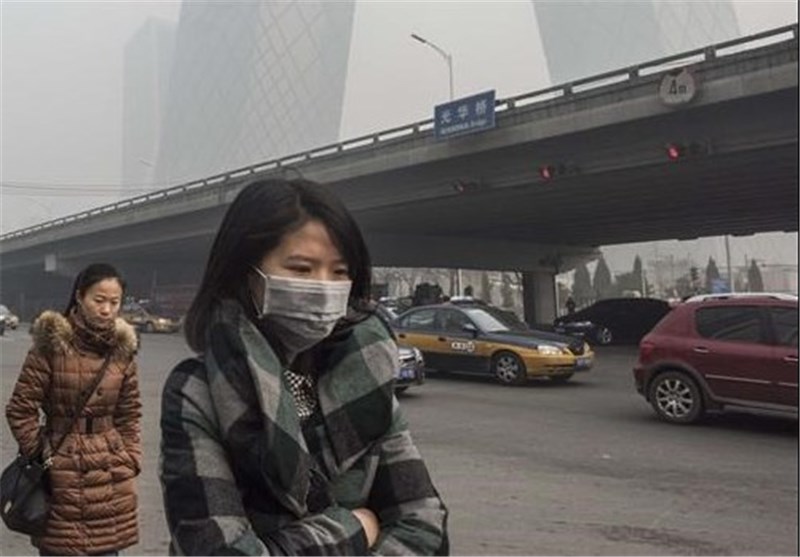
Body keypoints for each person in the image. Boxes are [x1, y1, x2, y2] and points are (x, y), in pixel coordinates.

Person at [159, 178, 449, 555]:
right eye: (301, 269)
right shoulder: (197, 391)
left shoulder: (364, 381)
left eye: (340, 272)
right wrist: (356, 527)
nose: (324, 287)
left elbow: (424, 525)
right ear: (246, 275)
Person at [6, 263, 142, 556]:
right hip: (63, 473)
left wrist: (130, 457)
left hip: (109, 473)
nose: (106, 310)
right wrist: (42, 454)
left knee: (107, 551)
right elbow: (20, 409)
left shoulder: (122, 352)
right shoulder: (51, 347)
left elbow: (129, 413)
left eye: (114, 302)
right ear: (79, 297)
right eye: (99, 300)